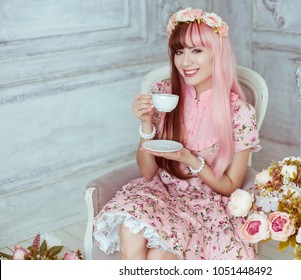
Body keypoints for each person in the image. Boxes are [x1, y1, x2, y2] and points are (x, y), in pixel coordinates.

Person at [93, 7, 261, 260]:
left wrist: (190, 160)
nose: (185, 62)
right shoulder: (164, 94)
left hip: (205, 205)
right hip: (162, 193)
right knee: (129, 230)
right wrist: (147, 123)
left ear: (218, 54)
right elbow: (148, 171)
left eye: (197, 51)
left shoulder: (239, 113)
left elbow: (229, 187)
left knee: (159, 257)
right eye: (179, 51)